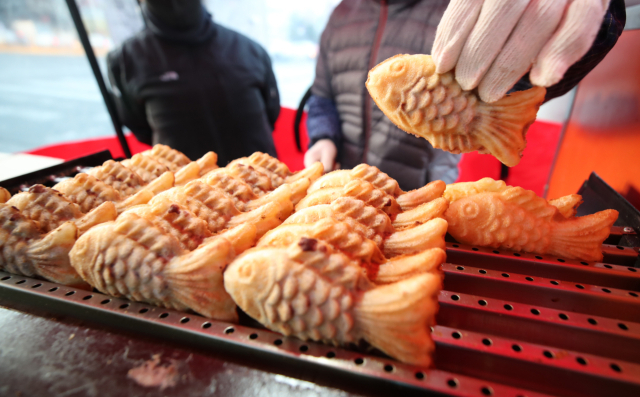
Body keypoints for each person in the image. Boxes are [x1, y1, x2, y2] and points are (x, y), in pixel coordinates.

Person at [304, 0, 625, 191]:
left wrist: (601, 14)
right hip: (345, 181)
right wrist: (322, 137)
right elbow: (321, 94)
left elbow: (524, 84)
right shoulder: (342, 14)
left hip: (425, 187)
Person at [107, 0, 280, 165]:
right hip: (186, 190)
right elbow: (138, 126)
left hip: (265, 184)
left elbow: (271, 113)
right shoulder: (125, 61)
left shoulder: (249, 49)